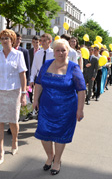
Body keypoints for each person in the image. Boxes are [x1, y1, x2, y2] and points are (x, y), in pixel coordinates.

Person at [33, 39, 86, 175]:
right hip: (46, 107)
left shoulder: (74, 68)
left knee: (59, 135)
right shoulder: (46, 64)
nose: (61, 53)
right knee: (44, 135)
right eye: (58, 50)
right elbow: (39, 83)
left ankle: (57, 161)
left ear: (68, 52)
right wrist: (35, 100)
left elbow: (81, 90)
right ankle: (50, 156)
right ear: (54, 51)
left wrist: (80, 109)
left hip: (66, 109)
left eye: (64, 50)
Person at [0, 29, 27, 166]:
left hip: (13, 92)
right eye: (2, 38)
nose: (4, 40)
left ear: (12, 40)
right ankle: (0, 151)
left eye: (7, 38)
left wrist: (23, 94)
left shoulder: (18, 55)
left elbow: (22, 75)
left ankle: (15, 140)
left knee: (13, 121)